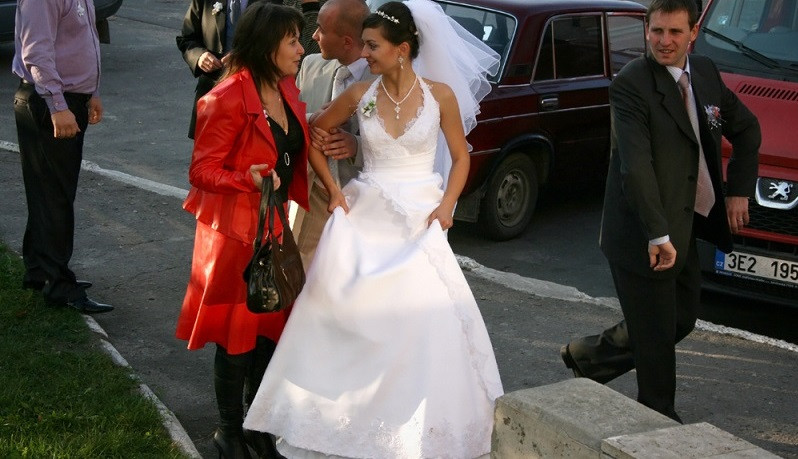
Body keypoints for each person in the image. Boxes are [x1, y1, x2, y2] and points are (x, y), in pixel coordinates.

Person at [243, 1, 503, 457]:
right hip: (366, 213)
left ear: (402, 50)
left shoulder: (439, 95)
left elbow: (462, 157)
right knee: (342, 314)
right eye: (363, 44)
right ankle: (336, 418)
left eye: (372, 45)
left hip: (421, 218)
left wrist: (447, 207)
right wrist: (335, 190)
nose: (364, 53)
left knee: (424, 321)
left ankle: (418, 426)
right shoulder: (361, 93)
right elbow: (313, 135)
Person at [560, 0, 760, 423]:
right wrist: (657, 235)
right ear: (646, 30)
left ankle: (590, 359)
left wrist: (739, 192)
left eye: (674, 33)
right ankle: (659, 419)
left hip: (685, 222)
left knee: (681, 319)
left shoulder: (704, 72)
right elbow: (636, 166)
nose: (664, 42)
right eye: (656, 32)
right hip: (642, 230)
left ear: (692, 34)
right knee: (655, 335)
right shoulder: (631, 84)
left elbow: (748, 128)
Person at [175, 4, 309, 458]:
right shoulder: (228, 95)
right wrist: (245, 179)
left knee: (268, 329)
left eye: (300, 38)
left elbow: (294, 145)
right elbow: (201, 169)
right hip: (232, 234)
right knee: (237, 334)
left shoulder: (285, 86)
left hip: (270, 227)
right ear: (267, 44)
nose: (301, 48)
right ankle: (228, 433)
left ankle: (257, 426)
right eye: (292, 40)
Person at [12, 0, 113, 314]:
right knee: (55, 196)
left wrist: (92, 92)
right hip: (51, 103)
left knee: (50, 192)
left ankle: (39, 271)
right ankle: (59, 286)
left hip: (72, 99)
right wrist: (58, 106)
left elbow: (85, 40)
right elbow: (36, 51)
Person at [292, 0, 373, 269]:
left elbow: (407, 143)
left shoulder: (384, 80)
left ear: (347, 41)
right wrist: (311, 120)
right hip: (314, 196)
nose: (314, 36)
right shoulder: (310, 66)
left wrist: (357, 146)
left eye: (321, 29)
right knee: (301, 269)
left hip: (362, 202)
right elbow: (287, 119)